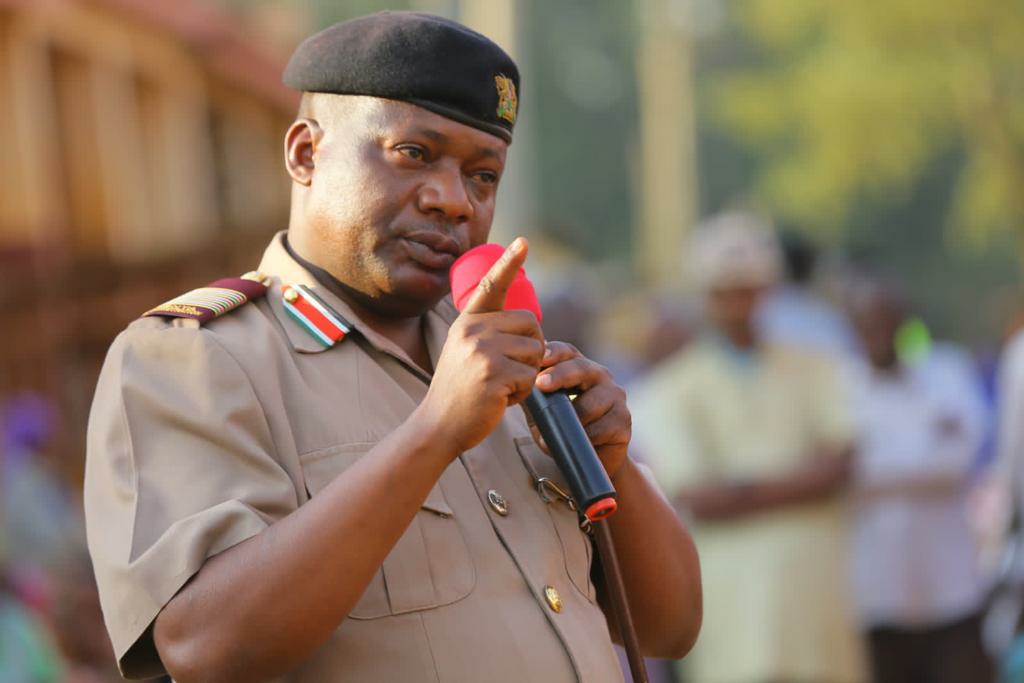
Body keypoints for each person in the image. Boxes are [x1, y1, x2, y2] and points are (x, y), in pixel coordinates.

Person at [83, 11, 701, 683]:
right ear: (306, 154)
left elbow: (670, 627)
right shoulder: (194, 359)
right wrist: (435, 431)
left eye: (483, 175)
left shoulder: (506, 360)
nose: (453, 200)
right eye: (414, 153)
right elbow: (206, 646)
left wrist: (615, 467)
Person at [630, 212, 866, 683]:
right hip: (731, 610)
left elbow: (841, 467)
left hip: (815, 600)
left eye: (749, 290)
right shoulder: (673, 387)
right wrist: (804, 480)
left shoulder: (816, 367)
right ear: (705, 296)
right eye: (726, 291)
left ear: (768, 290)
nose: (739, 303)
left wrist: (742, 492)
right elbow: (697, 496)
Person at [845, 277, 992, 683]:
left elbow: (961, 460)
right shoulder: (840, 387)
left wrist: (871, 463)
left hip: (952, 588)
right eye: (868, 322)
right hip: (875, 594)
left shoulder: (947, 370)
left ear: (903, 320)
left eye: (886, 320)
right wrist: (927, 445)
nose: (878, 331)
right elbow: (841, 475)